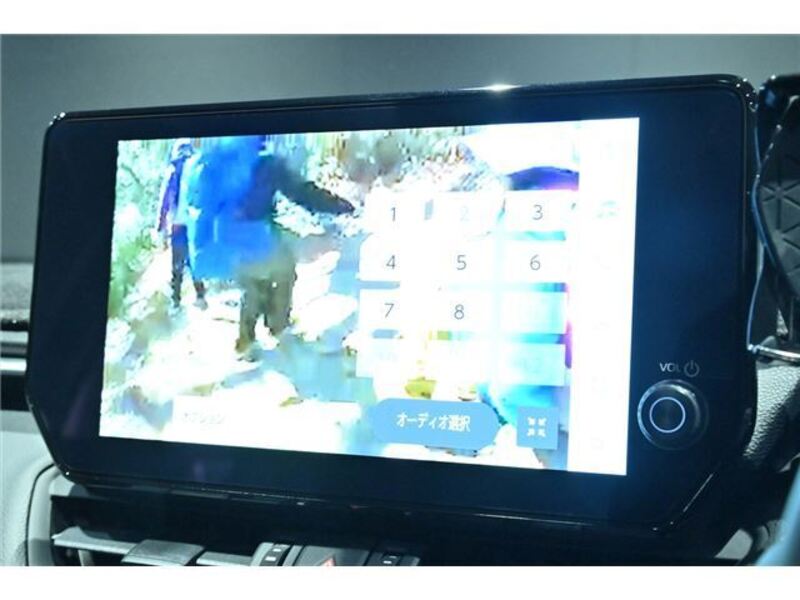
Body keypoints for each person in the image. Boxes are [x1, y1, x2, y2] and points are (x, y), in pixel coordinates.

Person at [156, 139, 208, 309]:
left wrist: (160, 227)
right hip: (195, 222)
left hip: (178, 223)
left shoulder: (173, 170)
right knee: (195, 259)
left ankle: (176, 301)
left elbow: (165, 200)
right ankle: (200, 296)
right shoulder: (198, 168)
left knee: (177, 262)